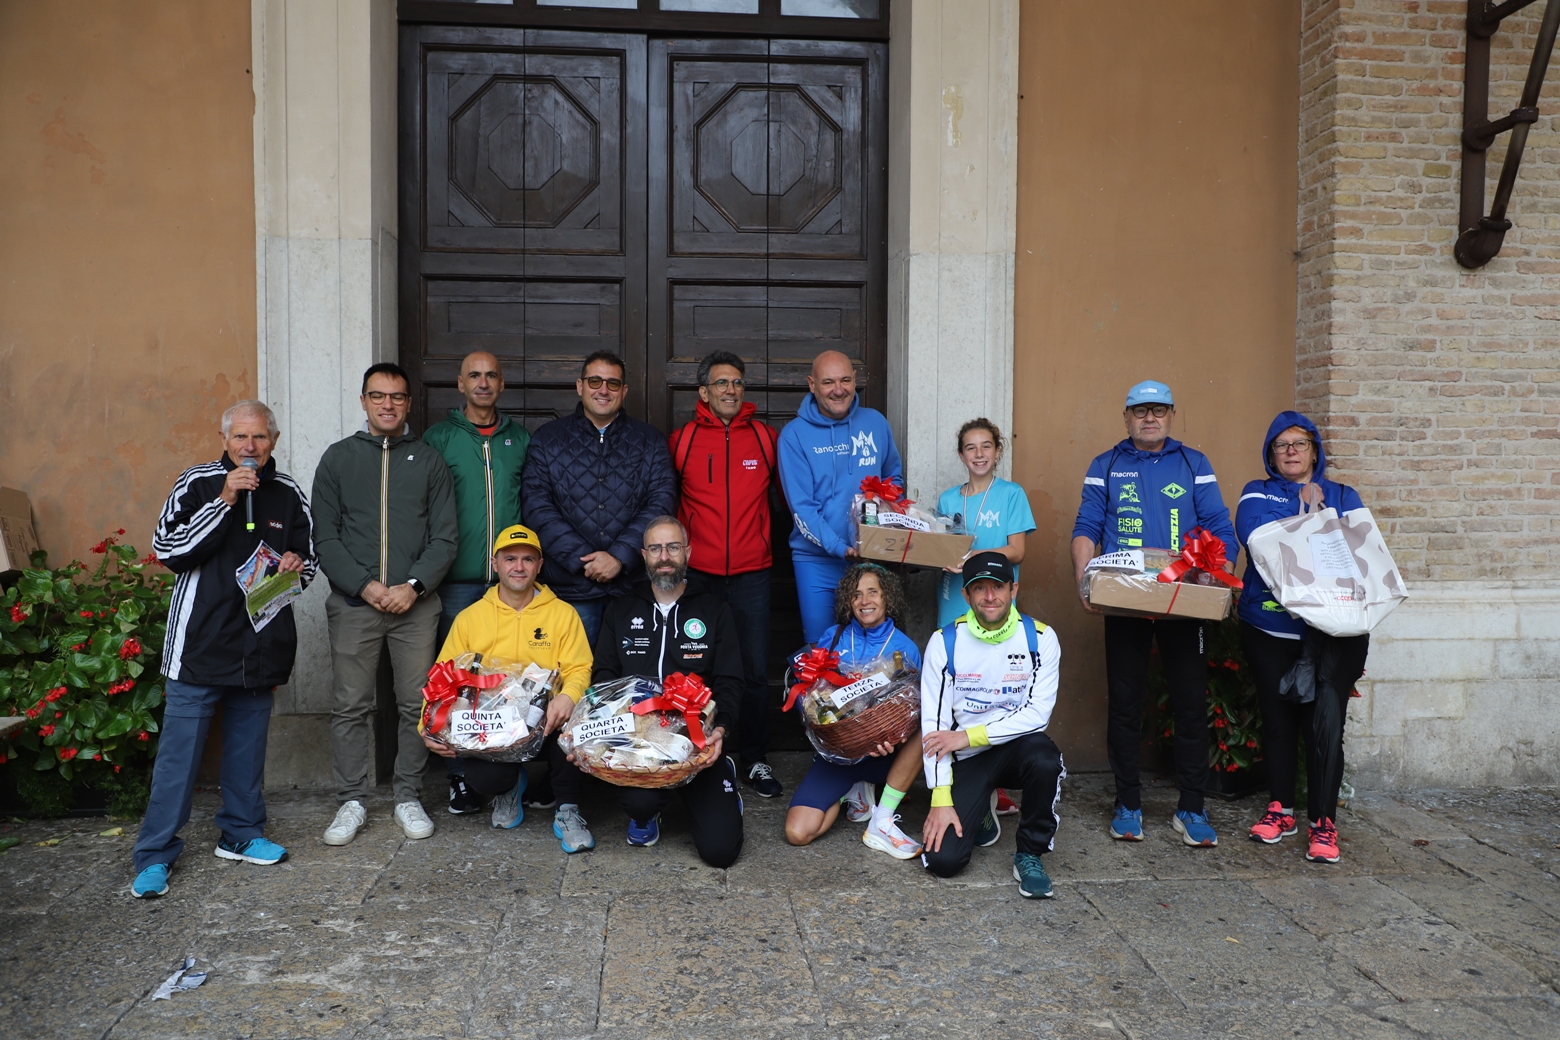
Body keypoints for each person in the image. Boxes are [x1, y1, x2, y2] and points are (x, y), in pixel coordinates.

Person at [131, 400, 317, 898]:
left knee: (246, 752)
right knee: (178, 760)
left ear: (274, 441)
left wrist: (293, 567)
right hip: (200, 643)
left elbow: (310, 562)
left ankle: (241, 833)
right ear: (224, 439)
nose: (249, 448)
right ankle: (154, 854)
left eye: (259, 438)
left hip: (260, 645)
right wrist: (225, 499)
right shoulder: (197, 483)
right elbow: (169, 549)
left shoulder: (288, 493)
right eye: (240, 437)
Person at [1070, 379, 1237, 848]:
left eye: (1159, 410)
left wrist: (1219, 580)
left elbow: (1219, 526)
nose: (1150, 418)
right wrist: (1083, 579)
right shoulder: (1105, 464)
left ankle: (1192, 807)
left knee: (1190, 705)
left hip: (1184, 600)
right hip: (1126, 600)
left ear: (1171, 415)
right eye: (1141, 410)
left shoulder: (1194, 463)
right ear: (1126, 417)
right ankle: (1128, 804)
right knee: (1125, 705)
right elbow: (1087, 526)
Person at [313, 362, 458, 847]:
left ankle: (407, 796)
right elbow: (325, 537)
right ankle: (352, 800)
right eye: (378, 396)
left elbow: (445, 537)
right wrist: (365, 586)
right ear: (364, 401)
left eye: (396, 396)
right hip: (355, 604)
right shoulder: (338, 458)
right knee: (351, 705)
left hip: (415, 605)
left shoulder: (429, 461)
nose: (388, 404)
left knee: (416, 703)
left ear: (409, 403)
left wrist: (412, 586)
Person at [557, 516, 745, 867]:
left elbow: (730, 680)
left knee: (720, 852)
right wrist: (590, 734)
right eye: (656, 549)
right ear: (644, 556)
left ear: (687, 552)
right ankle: (647, 813)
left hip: (697, 740)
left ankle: (722, 779)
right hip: (637, 741)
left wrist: (721, 729)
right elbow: (604, 677)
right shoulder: (621, 608)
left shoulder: (713, 608)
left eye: (673, 547)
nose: (664, 557)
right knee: (639, 803)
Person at [1235, 412, 1371, 864]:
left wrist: (1316, 515)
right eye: (1281, 445)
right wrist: (1308, 513)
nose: (1291, 451)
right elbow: (1258, 540)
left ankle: (1323, 822)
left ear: (1315, 451)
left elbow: (1361, 549)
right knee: (1278, 720)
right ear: (1270, 454)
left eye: (1300, 443)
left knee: (1325, 725)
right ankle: (1281, 809)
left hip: (1334, 631)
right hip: (1269, 625)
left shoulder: (1344, 494)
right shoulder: (1256, 492)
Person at [420, 525, 594, 847]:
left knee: (574, 725)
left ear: (539, 566)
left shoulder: (562, 614)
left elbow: (579, 668)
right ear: (495, 563)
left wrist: (569, 696)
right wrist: (428, 726)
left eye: (528, 559)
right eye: (510, 558)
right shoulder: (470, 618)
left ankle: (567, 808)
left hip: (545, 720)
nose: (519, 567)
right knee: (484, 777)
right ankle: (509, 787)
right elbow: (442, 676)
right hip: (492, 724)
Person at [668, 350, 784, 799]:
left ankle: (754, 758)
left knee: (754, 671)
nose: (731, 390)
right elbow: (668, 504)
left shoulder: (765, 438)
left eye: (737, 382)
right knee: (695, 668)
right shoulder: (682, 441)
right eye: (721, 383)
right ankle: (691, 751)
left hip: (753, 574)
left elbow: (784, 501)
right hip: (698, 575)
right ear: (703, 392)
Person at [919, 552, 1065, 899]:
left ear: (1013, 589)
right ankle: (981, 808)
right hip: (968, 759)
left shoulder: (1040, 638)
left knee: (1045, 758)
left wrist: (969, 735)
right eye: (979, 588)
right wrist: (940, 798)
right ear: (966, 595)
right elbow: (934, 729)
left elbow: (1037, 714)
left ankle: (1029, 854)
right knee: (943, 861)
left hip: (1016, 751)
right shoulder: (945, 642)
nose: (989, 596)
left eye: (998, 587)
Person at [422, 351, 531, 816]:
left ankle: (513, 766)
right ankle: (460, 777)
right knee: (460, 683)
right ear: (460, 384)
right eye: (474, 376)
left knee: (513, 680)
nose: (483, 383)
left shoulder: (520, 439)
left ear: (502, 384)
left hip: (513, 581)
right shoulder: (439, 438)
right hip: (458, 583)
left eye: (491, 375)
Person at [522, 351, 678, 646]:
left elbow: (661, 503)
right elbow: (536, 506)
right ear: (580, 386)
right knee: (573, 672)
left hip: (633, 588)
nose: (603, 390)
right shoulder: (548, 439)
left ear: (624, 391)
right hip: (571, 589)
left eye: (612, 383)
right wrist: (584, 560)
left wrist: (620, 557)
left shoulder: (649, 441)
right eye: (595, 381)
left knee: (635, 672)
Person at [783, 563, 925, 860]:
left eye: (873, 592)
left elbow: (913, 707)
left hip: (884, 756)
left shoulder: (905, 647)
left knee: (925, 731)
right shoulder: (833, 637)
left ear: (887, 598)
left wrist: (897, 739)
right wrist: (812, 710)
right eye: (856, 594)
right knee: (798, 833)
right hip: (838, 754)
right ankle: (849, 790)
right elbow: (806, 688)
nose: (864, 601)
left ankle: (881, 814)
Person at [935, 418, 1037, 817]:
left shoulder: (1011, 494)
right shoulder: (948, 499)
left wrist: (974, 558)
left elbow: (1018, 551)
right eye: (970, 448)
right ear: (961, 455)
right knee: (956, 689)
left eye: (986, 446)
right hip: (954, 597)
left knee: (997, 690)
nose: (978, 454)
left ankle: (997, 782)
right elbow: (940, 546)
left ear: (997, 451)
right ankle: (956, 778)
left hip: (993, 602)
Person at [777, 350, 904, 644]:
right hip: (817, 562)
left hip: (872, 559)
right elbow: (802, 508)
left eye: (845, 380)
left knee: (875, 646)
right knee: (822, 648)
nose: (838, 390)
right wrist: (839, 548)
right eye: (828, 382)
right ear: (812, 384)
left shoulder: (875, 423)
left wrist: (886, 517)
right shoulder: (794, 436)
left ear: (855, 380)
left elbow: (894, 480)